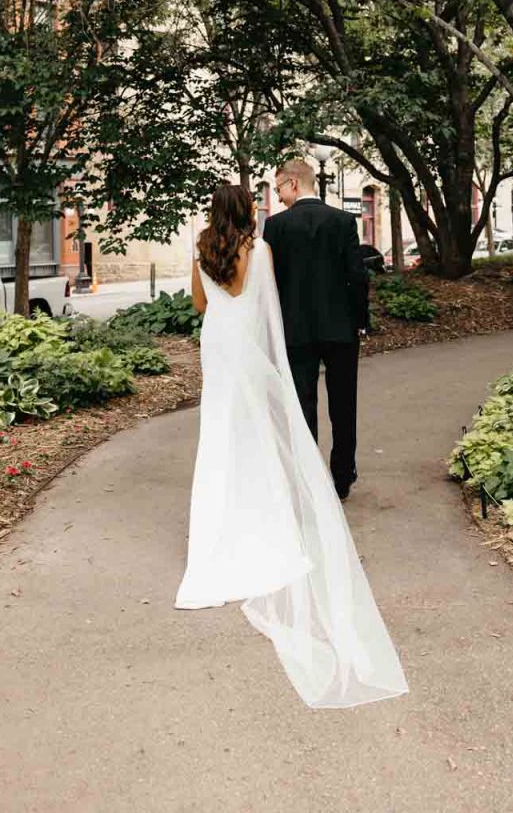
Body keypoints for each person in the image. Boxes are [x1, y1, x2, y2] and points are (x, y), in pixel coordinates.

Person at [175, 183, 407, 710]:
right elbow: (269, 305)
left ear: (213, 212)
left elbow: (199, 304)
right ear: (246, 210)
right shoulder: (259, 250)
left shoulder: (202, 249)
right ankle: (282, 499)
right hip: (250, 343)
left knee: (220, 430)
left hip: (217, 344)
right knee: (258, 428)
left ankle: (218, 523)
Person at [262, 158, 368, 501]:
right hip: (340, 328)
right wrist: (360, 321)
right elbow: (357, 276)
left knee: (302, 406)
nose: (278, 196)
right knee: (344, 404)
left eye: (279, 187)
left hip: (295, 330)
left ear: (293, 183)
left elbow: (271, 283)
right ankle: (343, 476)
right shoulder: (342, 221)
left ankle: (309, 480)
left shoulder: (275, 227)